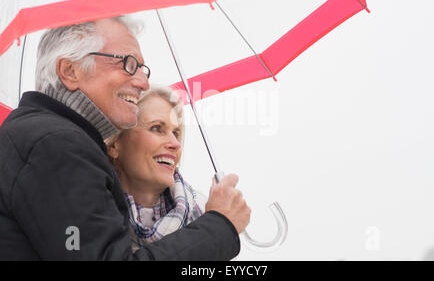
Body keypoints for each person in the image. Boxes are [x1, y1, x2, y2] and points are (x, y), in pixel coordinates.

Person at [0, 16, 251, 260]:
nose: (143, 82)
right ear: (70, 70)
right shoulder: (58, 144)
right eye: (128, 63)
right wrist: (220, 226)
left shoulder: (42, 135)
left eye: (143, 69)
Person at [106, 86, 206, 249]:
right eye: (157, 128)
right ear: (115, 144)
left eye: (176, 133)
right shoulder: (90, 215)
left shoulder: (204, 215)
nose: (175, 144)